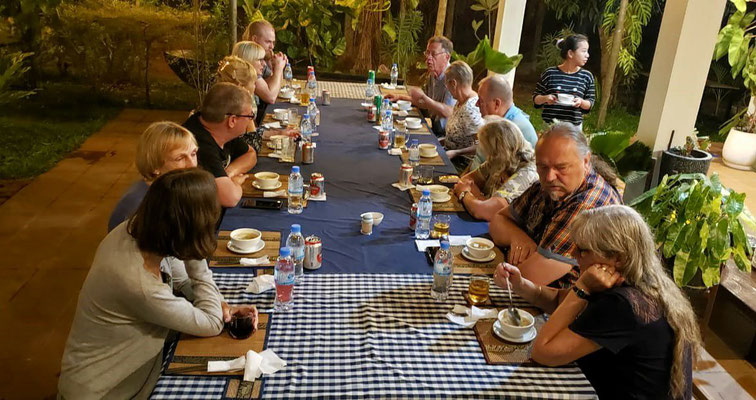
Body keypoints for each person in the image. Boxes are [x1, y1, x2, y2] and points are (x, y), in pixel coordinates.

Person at [60, 168, 259, 399]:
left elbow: (183, 280)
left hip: (128, 373)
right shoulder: (139, 283)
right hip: (112, 389)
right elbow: (212, 323)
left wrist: (222, 304)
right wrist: (197, 252)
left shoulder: (136, 230)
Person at [493, 205, 700, 400]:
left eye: (583, 250)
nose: (573, 255)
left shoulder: (623, 305)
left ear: (618, 258)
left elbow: (542, 352)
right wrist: (520, 285)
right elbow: (559, 302)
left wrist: (581, 288)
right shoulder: (648, 283)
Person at [488, 122, 622, 287]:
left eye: (561, 167)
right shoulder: (550, 188)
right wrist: (519, 238)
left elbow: (528, 278)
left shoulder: (589, 204)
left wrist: (514, 253)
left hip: (567, 307)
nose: (550, 177)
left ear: (586, 161)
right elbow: (497, 220)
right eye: (542, 167)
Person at [107, 121, 198, 232]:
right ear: (155, 166)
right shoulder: (142, 207)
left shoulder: (170, 189)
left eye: (193, 154)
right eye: (179, 158)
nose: (192, 164)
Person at [183, 82, 256, 208]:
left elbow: (251, 154)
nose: (251, 120)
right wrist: (236, 182)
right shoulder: (198, 145)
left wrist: (230, 172)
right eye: (250, 116)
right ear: (232, 120)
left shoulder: (220, 130)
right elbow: (230, 198)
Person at [452, 117, 538, 221]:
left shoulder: (526, 173)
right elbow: (466, 180)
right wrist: (481, 200)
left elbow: (482, 212)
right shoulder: (499, 160)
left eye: (489, 150)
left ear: (499, 151)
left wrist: (464, 193)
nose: (488, 156)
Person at [216, 56, 297, 152]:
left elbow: (252, 132)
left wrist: (279, 132)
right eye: (254, 83)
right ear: (242, 88)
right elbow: (253, 146)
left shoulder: (222, 101)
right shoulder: (235, 109)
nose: (255, 87)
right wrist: (248, 112)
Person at [385, 36, 456, 136]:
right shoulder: (433, 74)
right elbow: (425, 102)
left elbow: (448, 112)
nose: (428, 58)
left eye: (433, 54)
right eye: (427, 53)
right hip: (433, 127)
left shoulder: (452, 78)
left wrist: (423, 97)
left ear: (447, 57)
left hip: (444, 135)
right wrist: (400, 97)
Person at [469, 75, 538, 171]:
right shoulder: (498, 122)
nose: (476, 104)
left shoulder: (511, 130)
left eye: (481, 101)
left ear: (497, 104)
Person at [533, 34, 596, 129]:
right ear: (570, 53)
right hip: (550, 127)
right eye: (583, 51)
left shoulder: (586, 76)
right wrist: (546, 98)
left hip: (574, 129)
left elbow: (590, 103)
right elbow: (536, 99)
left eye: (587, 51)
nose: (587, 55)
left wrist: (581, 102)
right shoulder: (550, 73)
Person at [440, 60, 484, 170]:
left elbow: (480, 145)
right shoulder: (460, 101)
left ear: (453, 83)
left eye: (447, 84)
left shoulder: (471, 109)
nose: (447, 88)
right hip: (450, 156)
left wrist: (456, 152)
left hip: (461, 166)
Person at [241, 20, 287, 123]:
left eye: (273, 42)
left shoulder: (262, 58)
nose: (272, 47)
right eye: (268, 42)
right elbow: (270, 97)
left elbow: (271, 85)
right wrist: (279, 68)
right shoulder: (248, 62)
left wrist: (275, 67)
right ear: (254, 39)